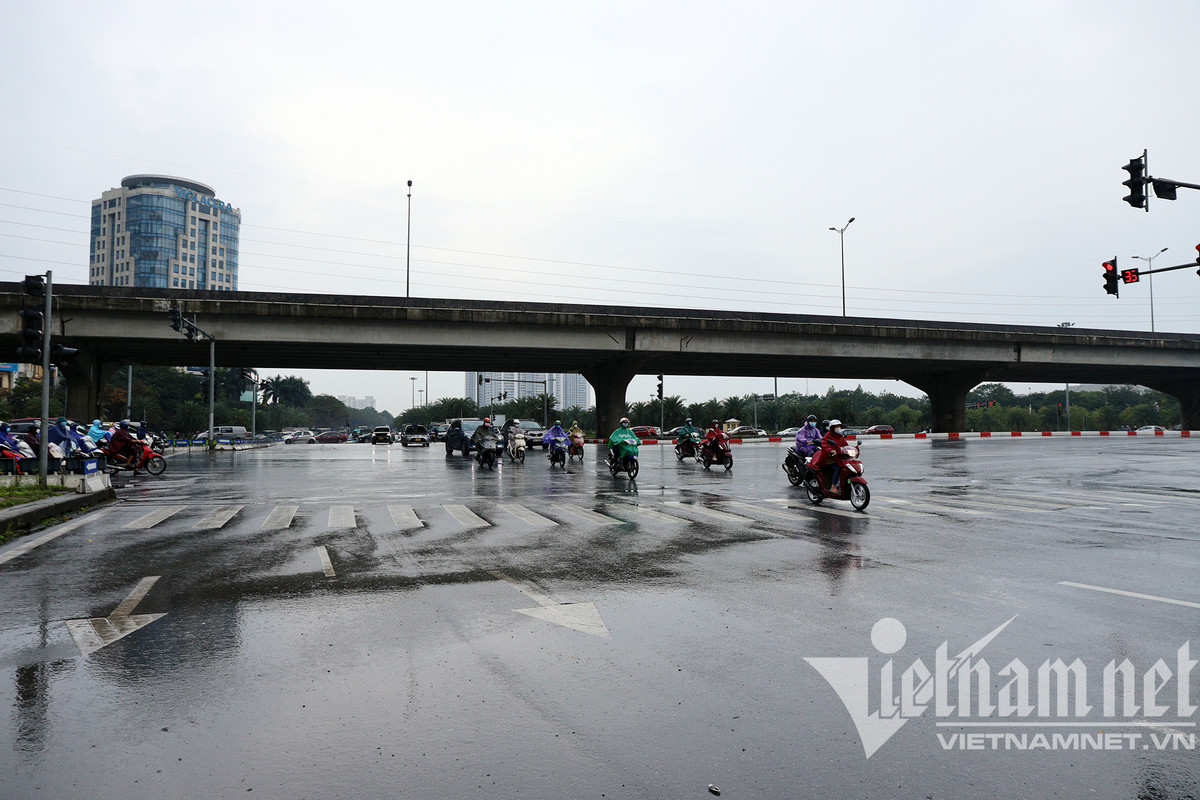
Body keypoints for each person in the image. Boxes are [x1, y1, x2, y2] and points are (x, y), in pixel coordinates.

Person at [813, 419, 849, 493]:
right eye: (836, 426)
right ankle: (833, 487)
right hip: (828, 459)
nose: (838, 428)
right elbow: (824, 445)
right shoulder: (827, 436)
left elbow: (845, 445)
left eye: (839, 426)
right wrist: (830, 450)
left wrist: (850, 450)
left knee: (847, 467)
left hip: (838, 458)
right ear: (832, 427)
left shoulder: (840, 436)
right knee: (837, 468)